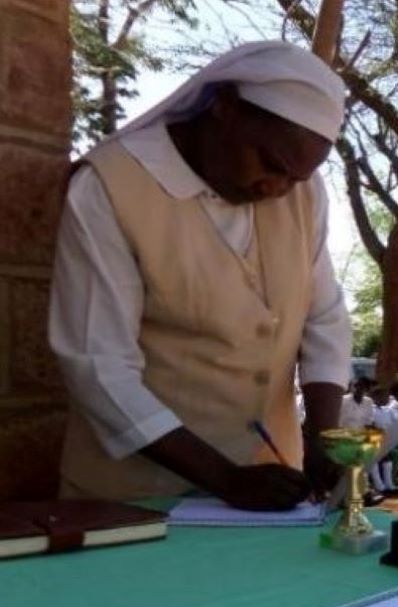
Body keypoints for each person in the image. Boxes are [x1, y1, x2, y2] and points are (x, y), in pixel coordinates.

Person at [49, 42, 351, 510]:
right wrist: (225, 479)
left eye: (294, 178)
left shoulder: (302, 192)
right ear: (225, 107)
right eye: (270, 164)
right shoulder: (110, 186)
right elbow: (98, 364)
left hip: (266, 488)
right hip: (135, 497)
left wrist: (323, 437)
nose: (276, 189)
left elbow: (324, 319)